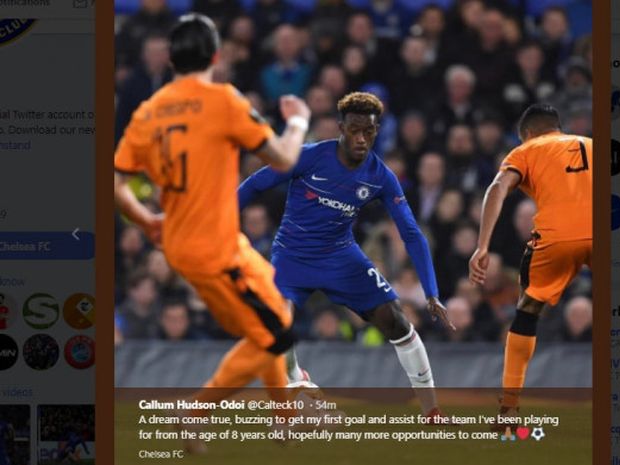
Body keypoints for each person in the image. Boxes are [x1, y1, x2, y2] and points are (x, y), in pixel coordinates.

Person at [114, 13, 311, 453]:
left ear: (170, 60)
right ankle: (195, 414)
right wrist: (298, 120)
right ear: (216, 55)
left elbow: (116, 184)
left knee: (276, 313)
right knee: (275, 333)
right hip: (213, 249)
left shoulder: (149, 112)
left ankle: (284, 419)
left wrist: (146, 220)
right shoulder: (222, 100)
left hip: (191, 243)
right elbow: (281, 158)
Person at [239, 92, 454, 418]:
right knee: (275, 325)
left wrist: (432, 292)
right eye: (354, 130)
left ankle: (431, 411)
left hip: (341, 257)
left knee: (395, 320)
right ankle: (298, 381)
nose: (361, 138)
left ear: (376, 131)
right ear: (340, 127)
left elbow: (411, 233)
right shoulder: (309, 157)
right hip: (291, 257)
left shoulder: (381, 176)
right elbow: (254, 185)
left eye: (368, 132)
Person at [468, 104, 592, 423]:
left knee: (528, 309)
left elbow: (498, 187)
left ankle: (509, 407)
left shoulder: (526, 150)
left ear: (528, 134)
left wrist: (482, 245)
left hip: (556, 238)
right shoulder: (592, 144)